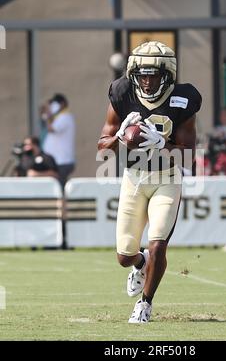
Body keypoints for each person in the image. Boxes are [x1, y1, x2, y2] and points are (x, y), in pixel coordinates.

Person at [97, 41, 202, 323]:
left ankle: (145, 303)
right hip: (134, 179)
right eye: (142, 75)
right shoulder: (121, 92)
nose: (146, 81)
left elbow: (190, 157)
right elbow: (102, 147)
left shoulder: (183, 99)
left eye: (152, 75)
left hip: (167, 179)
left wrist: (162, 144)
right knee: (124, 255)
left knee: (158, 244)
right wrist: (118, 137)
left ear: (166, 75)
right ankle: (139, 263)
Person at [42, 93, 76, 188]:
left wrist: (48, 115)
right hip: (57, 161)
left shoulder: (65, 117)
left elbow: (51, 129)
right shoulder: (59, 117)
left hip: (62, 161)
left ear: (62, 104)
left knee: (60, 188)